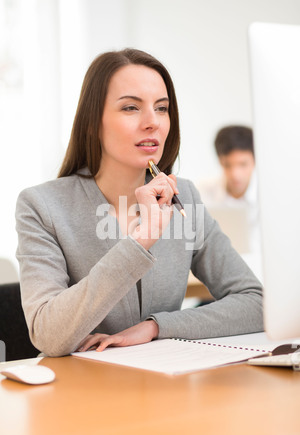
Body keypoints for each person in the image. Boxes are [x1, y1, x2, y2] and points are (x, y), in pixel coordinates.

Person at [15, 49, 263, 358]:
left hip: (163, 384)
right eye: (131, 108)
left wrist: (155, 327)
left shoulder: (183, 195)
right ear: (93, 122)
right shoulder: (41, 206)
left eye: (162, 108)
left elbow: (255, 301)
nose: (152, 122)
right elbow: (49, 335)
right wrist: (142, 238)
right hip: (80, 391)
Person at [198, 126, 260, 256]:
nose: (235, 174)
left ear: (255, 161)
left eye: (243, 164)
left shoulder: (268, 196)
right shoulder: (202, 191)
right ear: (220, 161)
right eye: (227, 165)